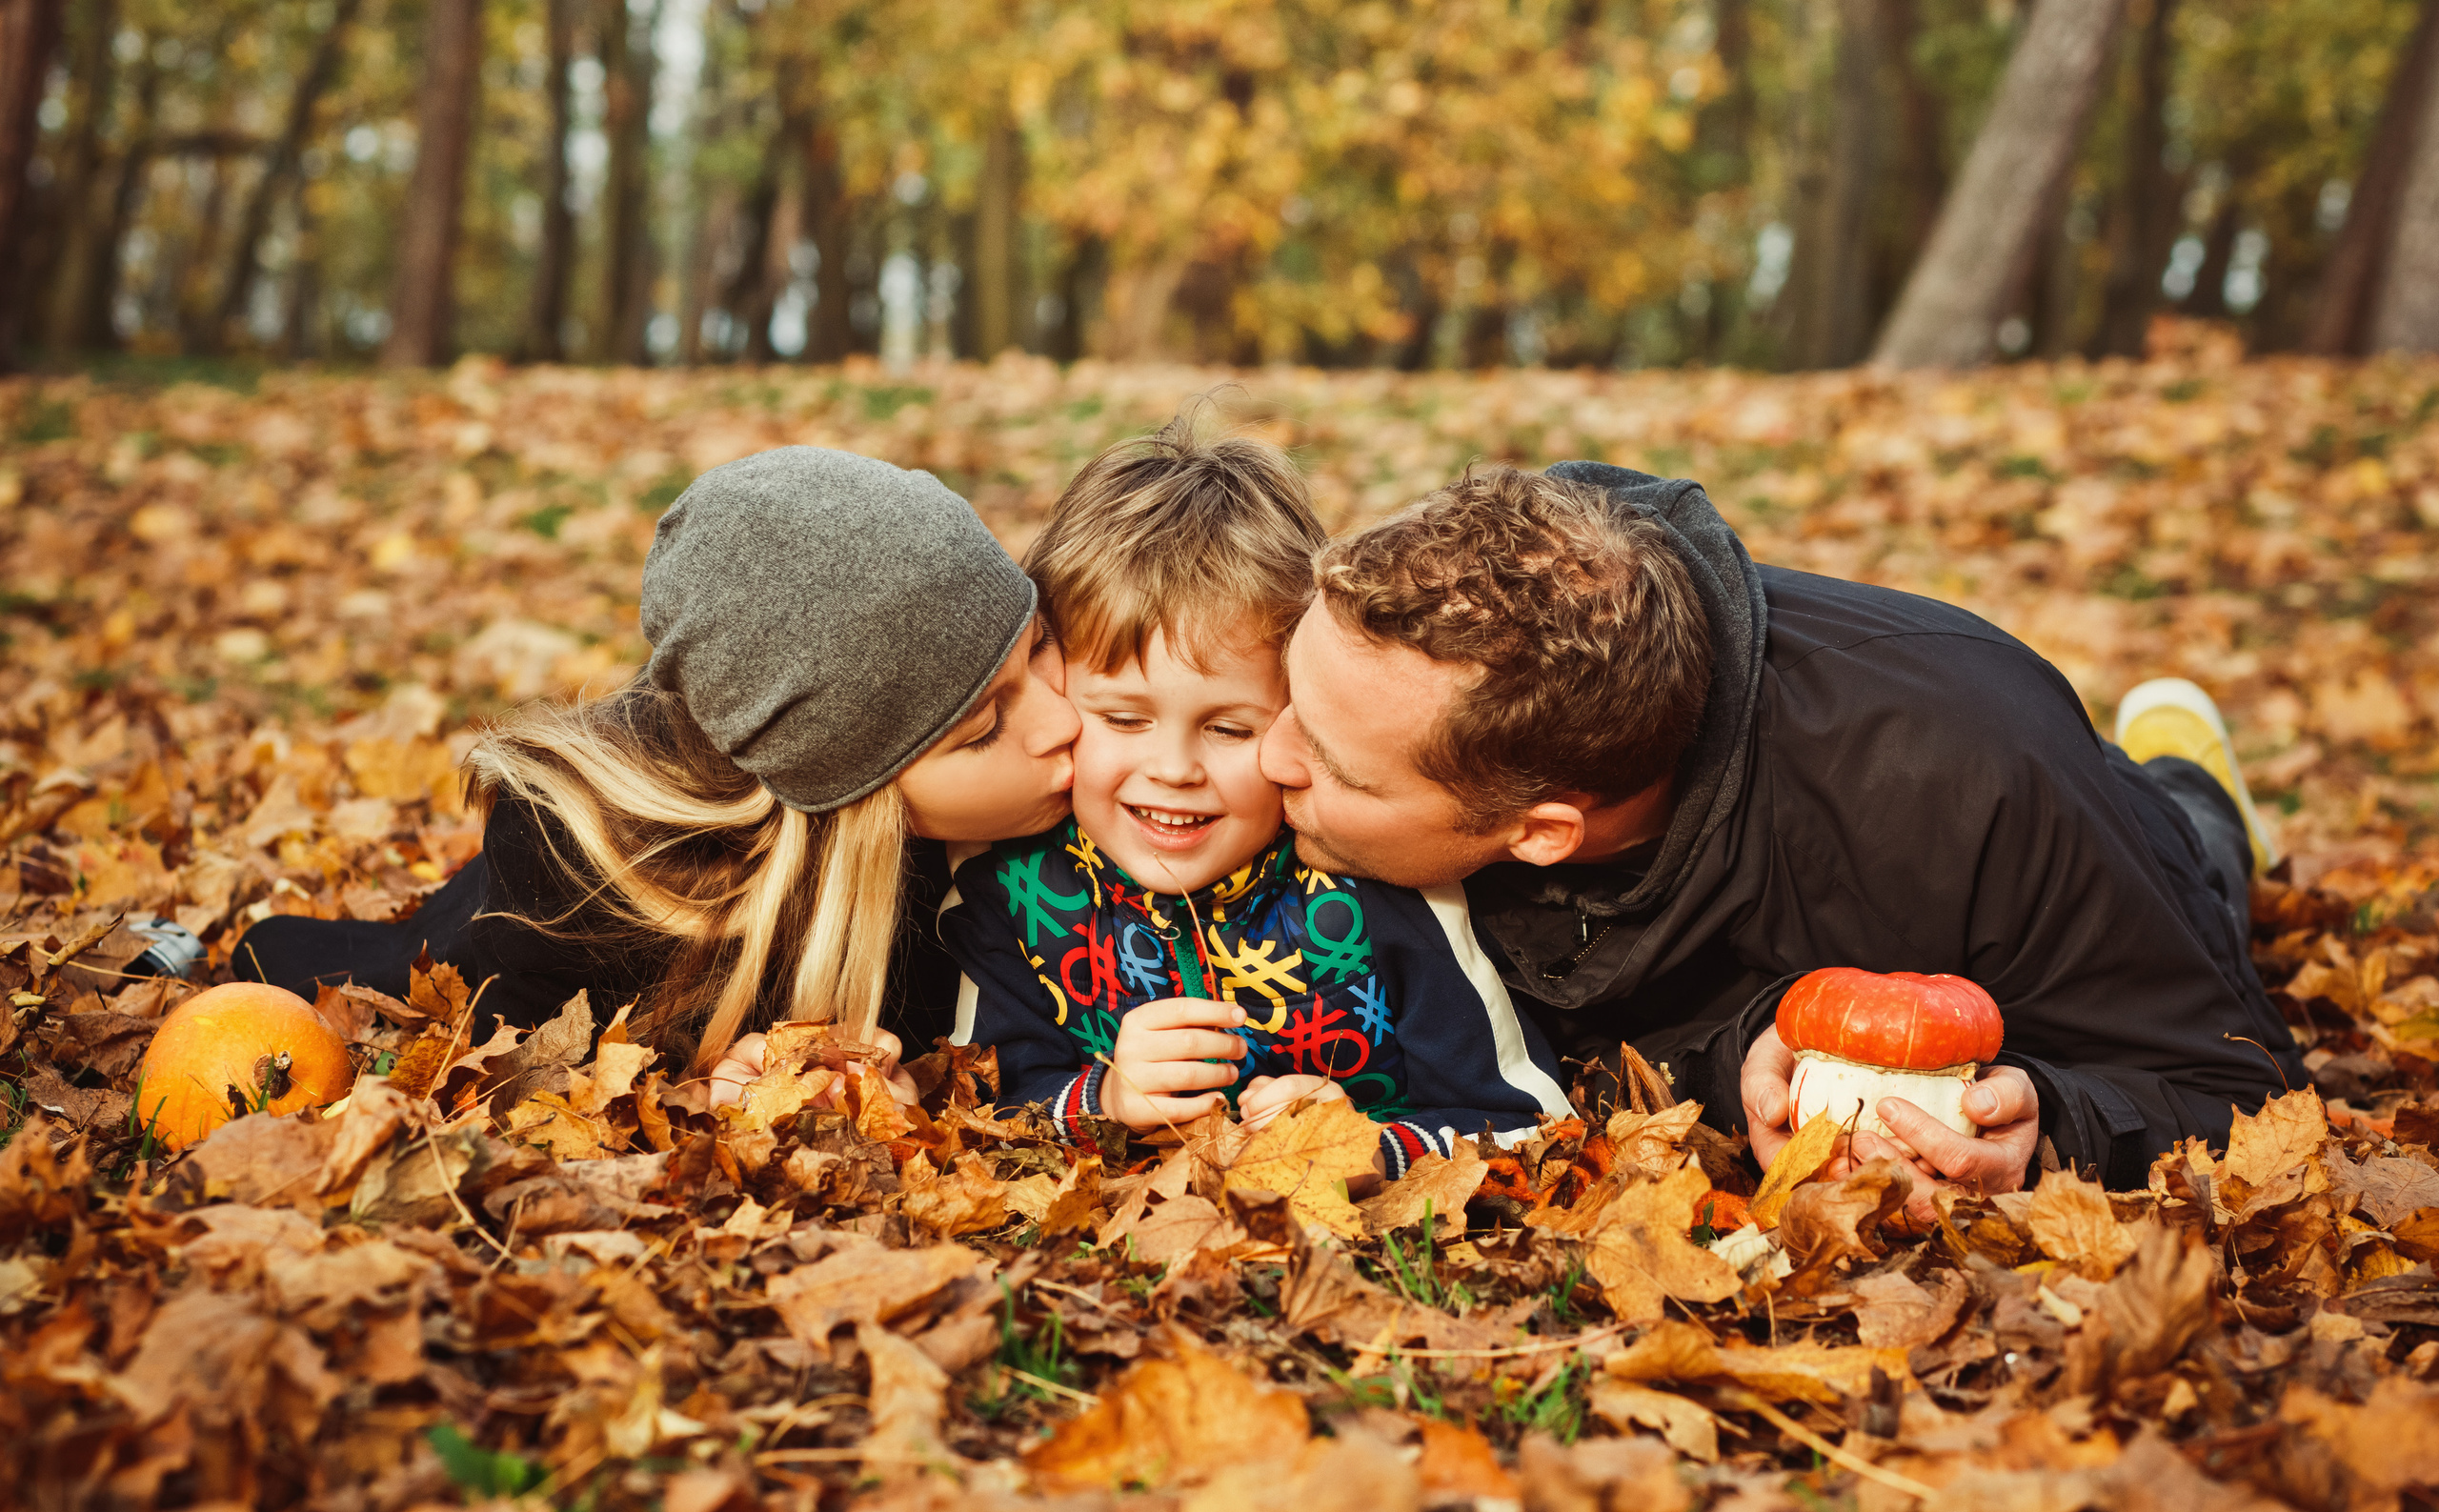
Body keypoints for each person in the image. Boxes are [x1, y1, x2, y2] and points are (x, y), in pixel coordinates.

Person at [1258, 462, 2300, 1214]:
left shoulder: (1970, 787)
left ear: (1539, 835)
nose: (1266, 758)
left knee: (2190, 850)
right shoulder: (1452, 630)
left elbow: (2238, 1092)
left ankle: (2194, 788)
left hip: (2069, 823)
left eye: (1333, 767)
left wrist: (2053, 1129)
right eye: (1281, 695)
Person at [232, 447, 1078, 1092]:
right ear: (849, 796)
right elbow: (536, 1074)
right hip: (558, 909)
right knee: (315, 957)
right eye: (982, 730)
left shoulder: (1041, 791)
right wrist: (709, 1079)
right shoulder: (576, 918)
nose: (1066, 722)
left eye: (1039, 647)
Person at [937, 422, 1569, 1174]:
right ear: (1057, 688)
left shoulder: (1382, 891)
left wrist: (1364, 1141)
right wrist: (1105, 1099)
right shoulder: (1015, 886)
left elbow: (1532, 1120)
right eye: (1123, 718)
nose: (1172, 767)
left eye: (1229, 728)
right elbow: (981, 1105)